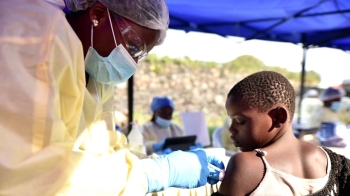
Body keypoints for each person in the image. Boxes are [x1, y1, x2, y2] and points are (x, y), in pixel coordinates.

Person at [0, 0, 224, 195]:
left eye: (141, 55)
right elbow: (27, 172)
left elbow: (102, 149)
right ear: (98, 15)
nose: (133, 62)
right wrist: (152, 174)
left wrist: (154, 164)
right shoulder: (33, 34)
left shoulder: (94, 69)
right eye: (133, 46)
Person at [212, 71, 350, 196]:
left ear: (278, 117)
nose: (231, 129)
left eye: (240, 121)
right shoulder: (333, 163)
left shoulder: (245, 165)